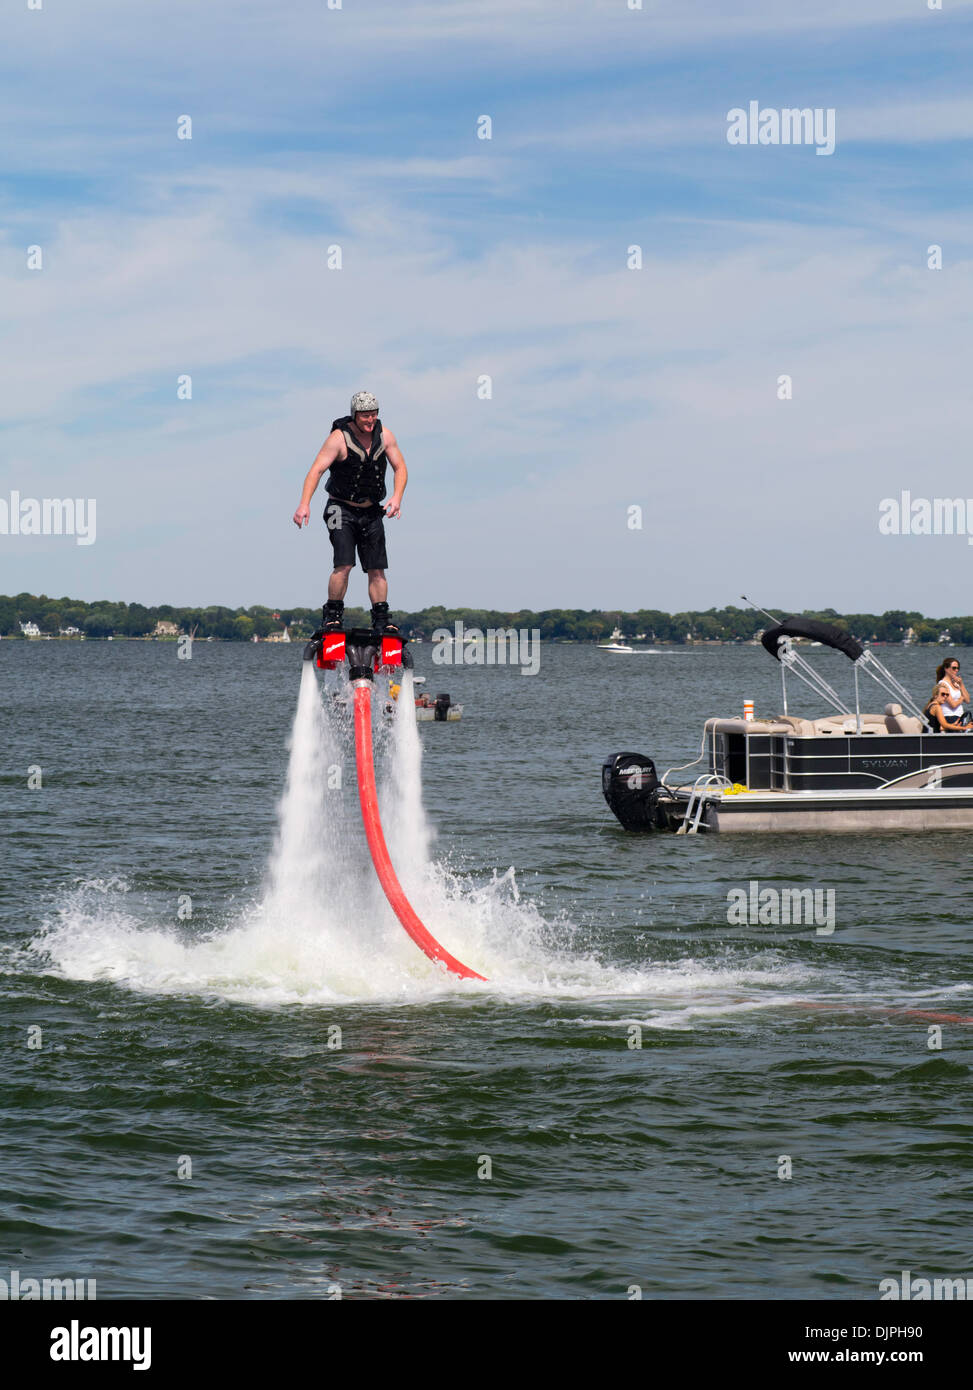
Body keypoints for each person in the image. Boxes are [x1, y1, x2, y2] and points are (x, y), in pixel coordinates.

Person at [292, 391, 407, 634]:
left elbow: (400, 467)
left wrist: (397, 497)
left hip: (371, 511)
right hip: (339, 508)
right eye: (365, 416)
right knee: (344, 563)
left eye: (374, 415)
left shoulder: (385, 436)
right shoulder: (338, 438)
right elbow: (316, 471)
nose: (370, 420)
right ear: (355, 415)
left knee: (377, 568)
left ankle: (381, 619)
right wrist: (304, 503)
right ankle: (332, 616)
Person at [928, 658, 973, 731]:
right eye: (954, 668)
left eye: (958, 668)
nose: (956, 670)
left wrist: (961, 684)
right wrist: (961, 698)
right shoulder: (943, 684)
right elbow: (953, 704)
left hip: (959, 715)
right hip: (949, 716)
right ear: (946, 668)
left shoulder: (956, 684)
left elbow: (967, 700)